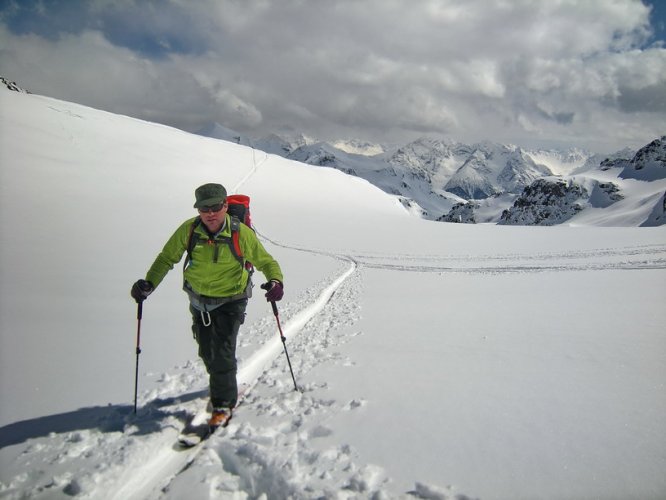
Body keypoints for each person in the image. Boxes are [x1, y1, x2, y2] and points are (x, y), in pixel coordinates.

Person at [131, 183, 284, 427]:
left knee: (222, 353)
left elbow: (266, 261)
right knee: (206, 351)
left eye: (215, 207)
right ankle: (223, 381)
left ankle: (223, 403)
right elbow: (167, 258)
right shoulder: (189, 230)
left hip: (231, 300)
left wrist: (275, 281)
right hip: (198, 301)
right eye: (204, 208)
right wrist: (149, 283)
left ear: (225, 206)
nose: (210, 213)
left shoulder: (239, 233)